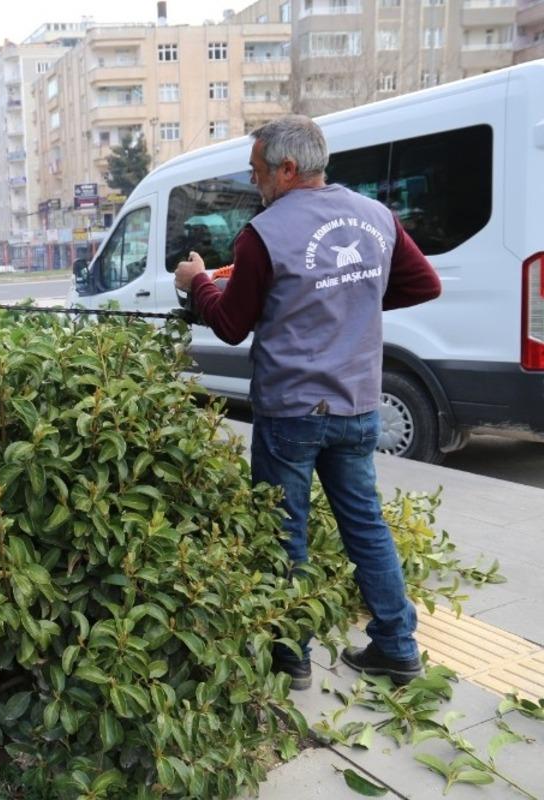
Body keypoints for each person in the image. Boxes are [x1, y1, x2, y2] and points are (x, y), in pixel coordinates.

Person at [173, 115, 442, 690]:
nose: (253, 181)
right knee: (366, 526)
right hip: (357, 407)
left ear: (288, 168)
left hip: (292, 411)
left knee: (283, 532)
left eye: (257, 170)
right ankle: (398, 648)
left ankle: (291, 657)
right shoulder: (376, 216)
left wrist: (197, 283)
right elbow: (425, 283)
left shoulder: (263, 233)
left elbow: (230, 325)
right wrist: (351, 298)